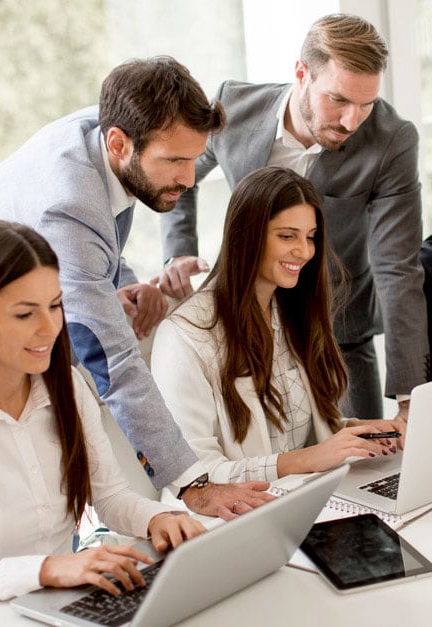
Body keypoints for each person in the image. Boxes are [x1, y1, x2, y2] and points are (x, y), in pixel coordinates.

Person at [0, 57, 273, 517]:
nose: (189, 178)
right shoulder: (69, 205)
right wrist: (194, 485)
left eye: (195, 158)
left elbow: (101, 237)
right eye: (175, 161)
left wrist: (124, 283)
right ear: (119, 143)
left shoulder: (108, 133)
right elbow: (112, 362)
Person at [158, 14, 428, 422]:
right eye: (338, 100)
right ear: (301, 73)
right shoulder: (233, 107)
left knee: (368, 466)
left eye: (366, 104)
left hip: (339, 335)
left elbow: (398, 267)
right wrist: (179, 251)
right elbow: (182, 173)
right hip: (244, 324)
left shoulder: (392, 140)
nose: (352, 121)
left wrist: (412, 398)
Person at [0, 221, 207, 609]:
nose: (50, 329)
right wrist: (47, 569)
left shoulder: (65, 384)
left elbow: (111, 496)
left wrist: (160, 518)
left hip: (63, 602)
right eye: (24, 314)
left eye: (55, 305)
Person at [151, 167, 405, 493]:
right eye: (287, 236)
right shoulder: (185, 334)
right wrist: (309, 459)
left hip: (307, 499)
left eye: (310, 237)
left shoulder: (291, 314)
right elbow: (194, 478)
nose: (304, 251)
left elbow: (289, 440)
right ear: (247, 235)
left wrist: (351, 435)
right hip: (238, 522)